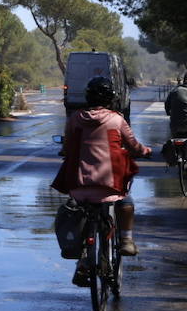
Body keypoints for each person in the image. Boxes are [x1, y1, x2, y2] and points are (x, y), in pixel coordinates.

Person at [51, 76, 151, 260]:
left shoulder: (75, 119)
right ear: (110, 98)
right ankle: (127, 241)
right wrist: (145, 151)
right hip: (109, 186)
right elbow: (133, 146)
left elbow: (67, 148)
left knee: (80, 215)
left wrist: (66, 151)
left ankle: (82, 263)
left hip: (79, 186)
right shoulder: (116, 120)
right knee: (126, 202)